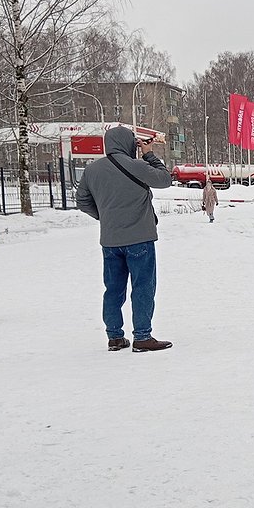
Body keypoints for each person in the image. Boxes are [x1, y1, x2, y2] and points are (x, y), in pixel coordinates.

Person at [75, 126, 173, 353]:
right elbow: (165, 179)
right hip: (140, 238)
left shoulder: (92, 170)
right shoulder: (137, 166)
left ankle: (114, 337)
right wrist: (148, 154)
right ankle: (142, 337)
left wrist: (104, 216)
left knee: (113, 289)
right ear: (129, 144)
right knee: (143, 287)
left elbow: (82, 201)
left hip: (110, 241)